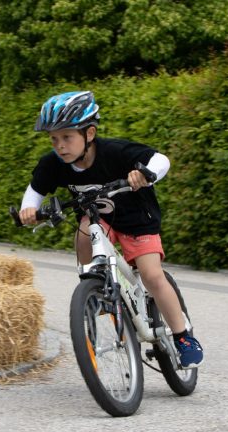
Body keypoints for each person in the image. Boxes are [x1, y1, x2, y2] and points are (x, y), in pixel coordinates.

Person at [19, 90, 203, 368]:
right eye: (54, 139)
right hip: (98, 219)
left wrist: (145, 174)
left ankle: (183, 337)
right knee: (84, 232)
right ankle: (94, 288)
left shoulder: (115, 152)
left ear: (89, 133)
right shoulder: (54, 164)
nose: (60, 145)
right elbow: (35, 189)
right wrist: (29, 209)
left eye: (67, 137)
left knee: (152, 276)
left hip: (136, 218)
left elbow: (160, 159)